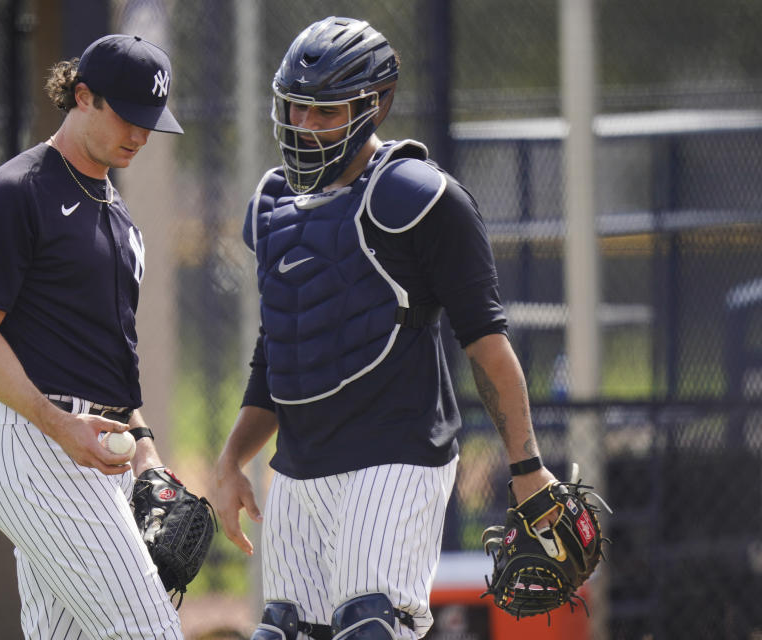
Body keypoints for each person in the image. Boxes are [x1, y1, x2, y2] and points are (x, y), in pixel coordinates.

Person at [214, 17, 558, 640]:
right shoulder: (271, 206)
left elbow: (486, 341)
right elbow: (281, 352)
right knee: (284, 631)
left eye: (325, 112)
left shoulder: (423, 198)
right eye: (295, 109)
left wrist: (527, 468)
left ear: (375, 105)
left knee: (369, 626)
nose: (304, 127)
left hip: (394, 456)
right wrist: (232, 457)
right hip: (297, 466)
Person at [0, 34, 186, 640]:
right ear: (82, 96)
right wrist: (60, 426)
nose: (139, 134)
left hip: (96, 451)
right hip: (35, 444)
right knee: (150, 632)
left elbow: (109, 353)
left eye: (150, 122)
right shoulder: (13, 194)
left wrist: (147, 451)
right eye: (128, 116)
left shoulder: (116, 211)